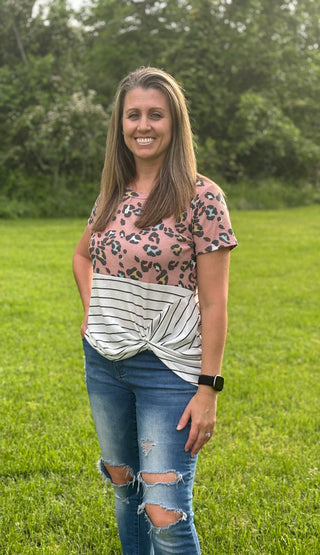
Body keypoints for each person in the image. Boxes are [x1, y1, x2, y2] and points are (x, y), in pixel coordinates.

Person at [73, 67, 237, 555]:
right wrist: (92, 310)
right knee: (126, 487)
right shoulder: (113, 190)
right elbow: (82, 256)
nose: (143, 125)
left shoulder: (201, 197)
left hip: (170, 370)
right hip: (104, 362)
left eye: (155, 114)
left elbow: (215, 301)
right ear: (121, 124)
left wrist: (208, 389)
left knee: (165, 511)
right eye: (133, 115)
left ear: (174, 123)